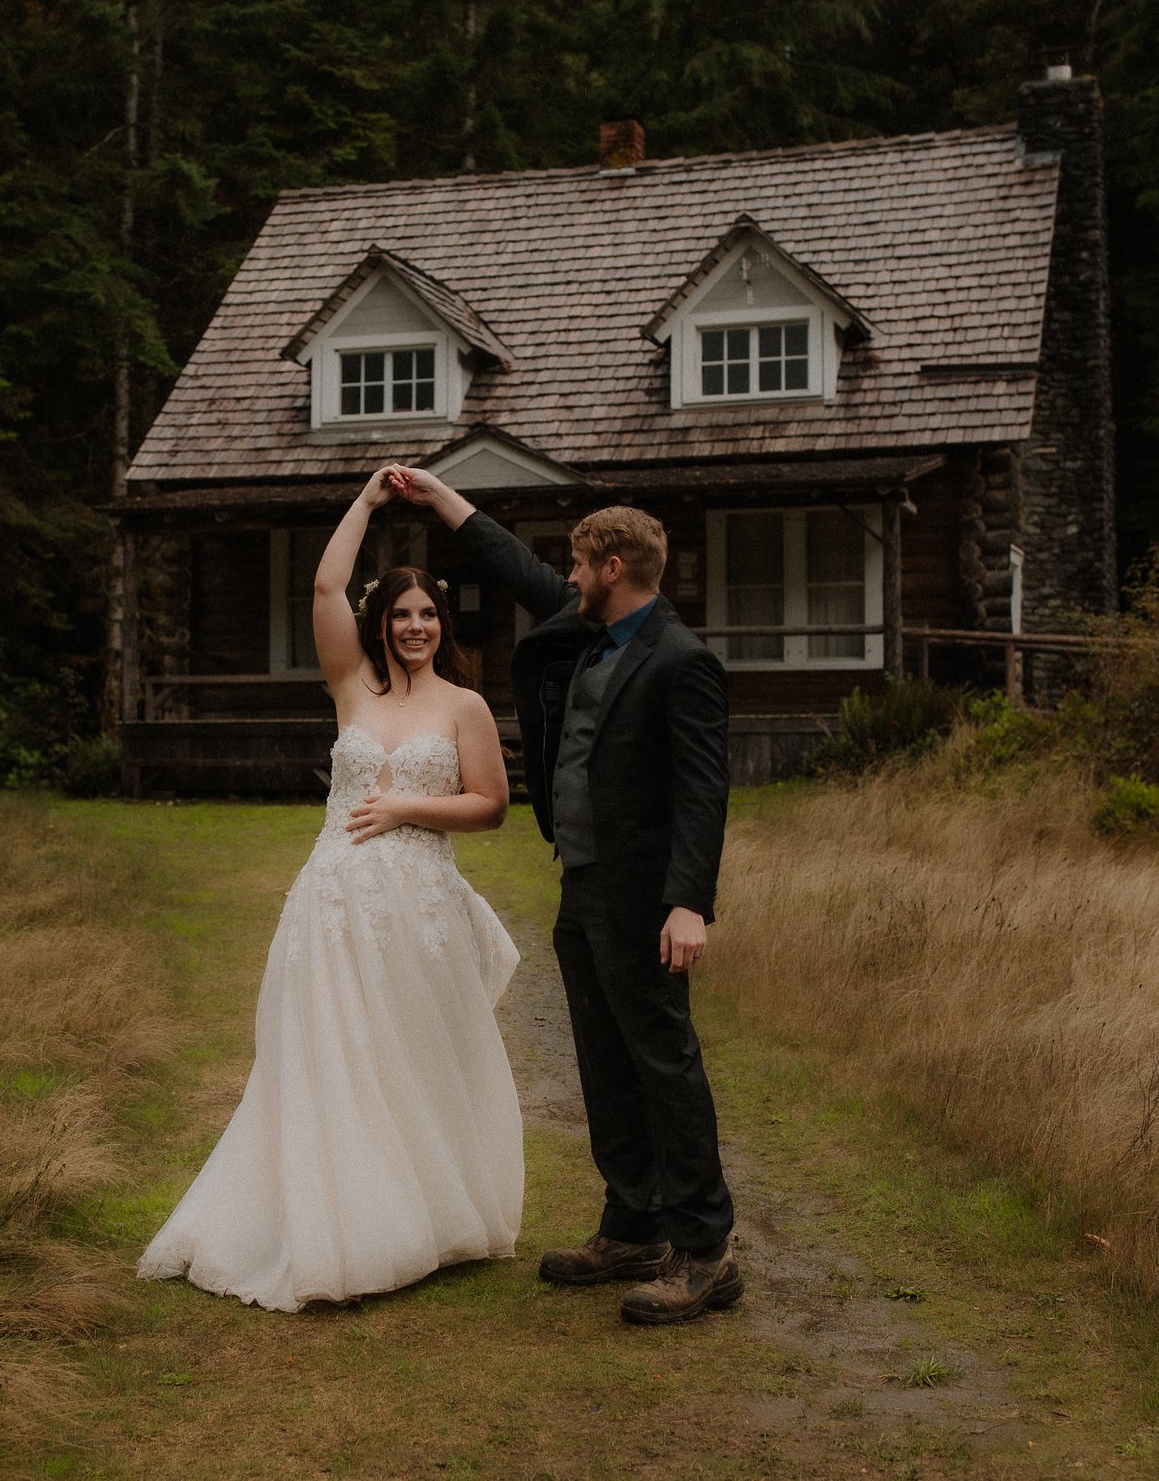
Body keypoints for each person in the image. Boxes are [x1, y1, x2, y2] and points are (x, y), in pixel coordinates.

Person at [136, 468, 524, 1311]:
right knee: (330, 1057)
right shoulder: (352, 684)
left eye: (427, 615)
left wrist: (406, 805)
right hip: (334, 902)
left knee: (414, 1056)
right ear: (379, 623)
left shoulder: (465, 706)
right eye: (400, 614)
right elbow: (324, 581)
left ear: (440, 624)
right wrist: (371, 500)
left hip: (419, 908)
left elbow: (491, 805)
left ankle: (428, 1211)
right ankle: (337, 1221)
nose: (415, 626)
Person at [388, 467, 741, 1325]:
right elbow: (521, 572)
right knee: (604, 1059)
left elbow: (703, 789)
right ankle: (633, 1225)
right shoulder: (594, 635)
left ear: (612, 565)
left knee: (663, 1060)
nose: (568, 578)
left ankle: (705, 1251)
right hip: (583, 884)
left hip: (645, 897)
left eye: (579, 565)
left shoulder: (681, 660)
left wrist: (688, 902)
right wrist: (446, 503)